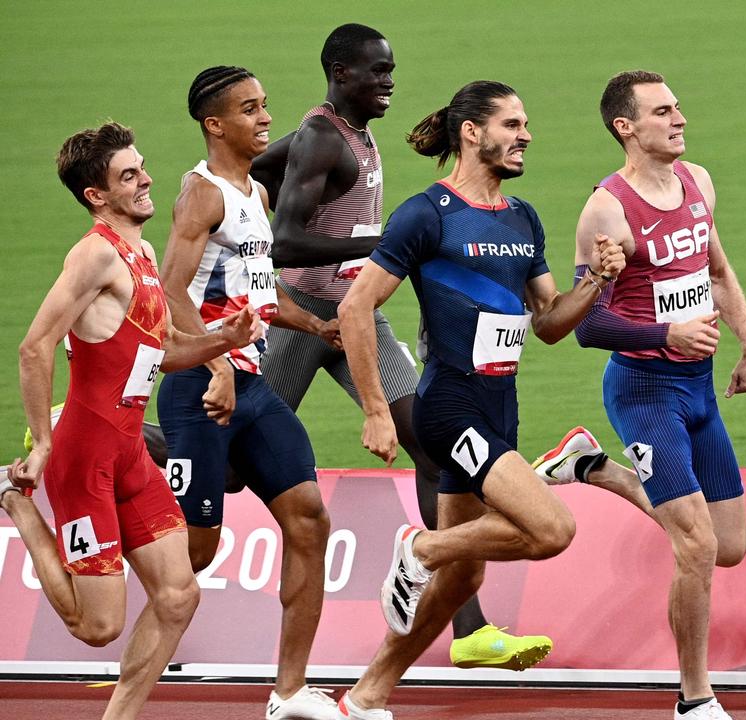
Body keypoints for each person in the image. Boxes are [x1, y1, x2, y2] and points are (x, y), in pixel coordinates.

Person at [251, 23, 549, 669]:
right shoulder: (320, 133)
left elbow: (254, 172)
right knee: (225, 459)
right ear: (339, 72)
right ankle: (108, 431)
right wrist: (385, 246)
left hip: (358, 318)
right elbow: (284, 244)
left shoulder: (354, 134)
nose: (388, 82)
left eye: (390, 71)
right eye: (376, 72)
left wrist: (250, 192)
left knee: (431, 444)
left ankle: (466, 626)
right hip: (304, 316)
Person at [332, 80, 624, 720]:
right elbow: (355, 308)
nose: (525, 135)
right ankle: (419, 548)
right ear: (472, 132)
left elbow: (549, 323)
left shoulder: (522, 217)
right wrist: (378, 409)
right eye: (513, 124)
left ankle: (367, 694)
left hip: (500, 407)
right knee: (551, 530)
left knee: (462, 580)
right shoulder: (427, 214)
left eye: (526, 125)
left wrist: (597, 282)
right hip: (449, 405)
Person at [1, 121, 262, 720]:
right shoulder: (93, 253)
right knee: (99, 626)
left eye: (141, 166)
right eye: (128, 175)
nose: (146, 179)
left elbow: (163, 352)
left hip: (129, 454)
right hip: (84, 458)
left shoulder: (141, 255)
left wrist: (224, 338)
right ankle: (14, 503)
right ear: (97, 196)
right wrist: (41, 444)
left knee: (177, 596)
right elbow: (34, 347)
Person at [536, 70, 746, 720]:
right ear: (626, 127)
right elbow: (585, 325)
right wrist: (668, 331)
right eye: (663, 111)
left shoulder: (698, 182)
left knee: (729, 546)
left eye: (678, 107)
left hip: (698, 387)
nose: (680, 118)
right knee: (693, 546)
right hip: (643, 391)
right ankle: (694, 696)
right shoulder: (606, 210)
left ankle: (590, 466)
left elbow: (717, 270)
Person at [156, 66, 341, 719]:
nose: (266, 119)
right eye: (249, 109)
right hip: (198, 387)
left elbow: (257, 295)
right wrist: (216, 366)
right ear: (215, 124)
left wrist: (317, 323)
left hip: (252, 384)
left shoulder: (254, 194)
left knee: (311, 519)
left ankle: (288, 692)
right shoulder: (201, 194)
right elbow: (168, 289)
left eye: (265, 106)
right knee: (197, 553)